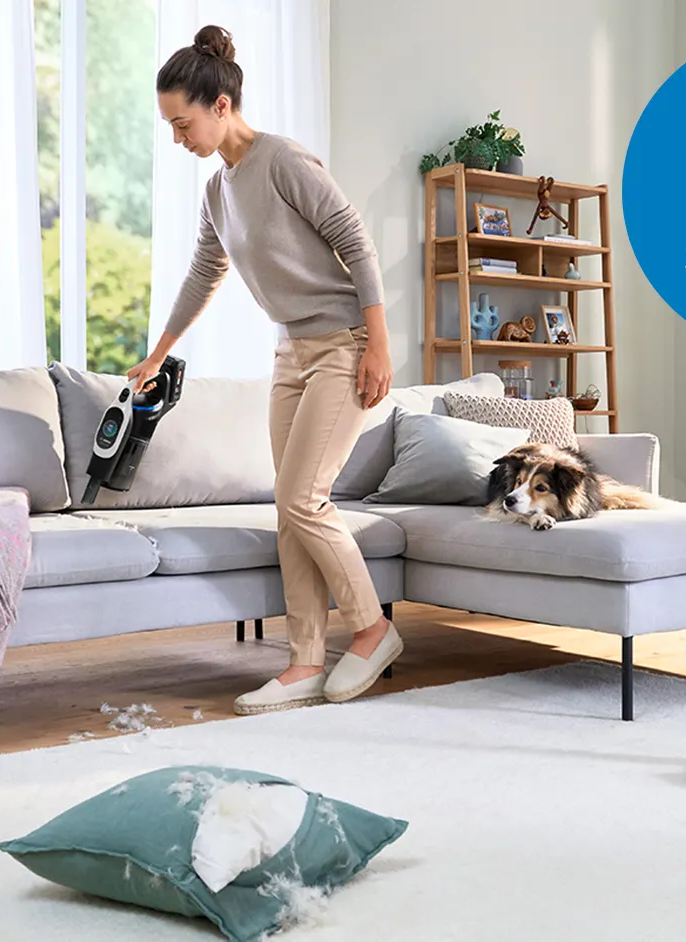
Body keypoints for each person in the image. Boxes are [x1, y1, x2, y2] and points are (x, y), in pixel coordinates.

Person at [124, 25, 400, 714]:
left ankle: (372, 629)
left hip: (343, 343)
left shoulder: (283, 161)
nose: (178, 138)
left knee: (305, 497)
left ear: (220, 106)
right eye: (170, 126)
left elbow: (355, 242)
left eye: (182, 123)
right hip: (290, 354)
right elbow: (202, 275)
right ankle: (304, 660)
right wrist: (157, 352)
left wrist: (379, 345)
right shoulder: (218, 192)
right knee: (289, 507)